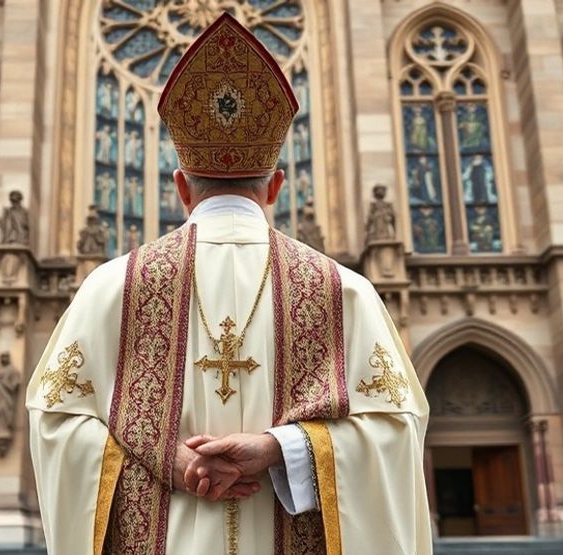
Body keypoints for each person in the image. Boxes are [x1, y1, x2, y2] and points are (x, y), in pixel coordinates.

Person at [27, 14, 430, 555]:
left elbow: (55, 422)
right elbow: (396, 431)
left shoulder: (109, 288)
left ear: (180, 187)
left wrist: (169, 458)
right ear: (277, 187)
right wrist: (281, 451)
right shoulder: (345, 292)